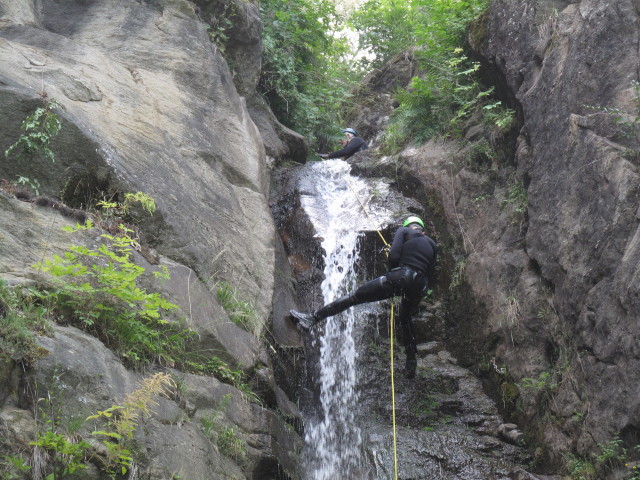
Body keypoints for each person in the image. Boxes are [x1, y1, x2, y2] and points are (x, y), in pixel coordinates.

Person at [290, 216, 437, 379]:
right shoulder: (431, 243)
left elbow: (394, 257)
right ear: (422, 230)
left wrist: (393, 266)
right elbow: (430, 273)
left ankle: (312, 318)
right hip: (419, 285)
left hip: (401, 276)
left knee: (355, 296)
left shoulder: (403, 231)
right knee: (405, 316)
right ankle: (411, 360)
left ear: (408, 226)